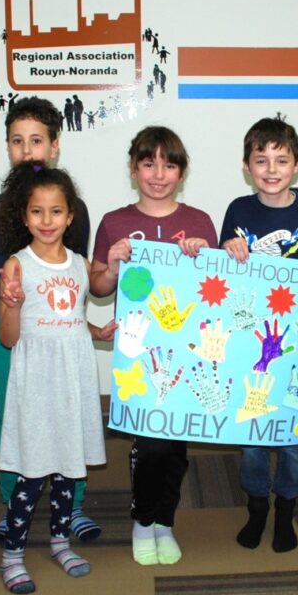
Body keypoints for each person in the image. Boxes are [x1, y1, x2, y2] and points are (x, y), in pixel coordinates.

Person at [90, 126, 218, 565]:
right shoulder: (115, 222)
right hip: (137, 349)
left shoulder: (199, 221)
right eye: (148, 163)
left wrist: (205, 255)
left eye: (169, 164)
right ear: (133, 169)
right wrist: (110, 264)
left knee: (177, 444)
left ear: (182, 173)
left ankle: (166, 520)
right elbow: (101, 288)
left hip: (185, 349)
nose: (158, 174)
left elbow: (213, 291)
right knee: (152, 445)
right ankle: (144, 520)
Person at [0, 97, 100, 544]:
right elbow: (7, 272)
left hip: (63, 330)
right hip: (14, 329)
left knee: (70, 412)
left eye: (36, 141)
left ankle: (75, 507)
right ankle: (12, 506)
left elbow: (75, 277)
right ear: (7, 147)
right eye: (17, 141)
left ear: (54, 146)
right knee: (14, 418)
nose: (27, 151)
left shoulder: (75, 208)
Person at [220, 115, 298, 553]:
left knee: (293, 436)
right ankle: (257, 506)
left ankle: (286, 510)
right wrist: (229, 250)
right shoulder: (238, 210)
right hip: (254, 342)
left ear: (297, 165)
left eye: (281, 160)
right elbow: (225, 278)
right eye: (261, 160)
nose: (271, 169)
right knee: (252, 434)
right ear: (246, 166)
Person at [0, 163, 114, 594]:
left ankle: (60, 541)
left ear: (70, 216)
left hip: (74, 379)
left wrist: (98, 331)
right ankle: (12, 552)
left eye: (56, 211)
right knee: (32, 471)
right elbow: (10, 338)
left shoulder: (81, 264)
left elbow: (71, 319)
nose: (47, 221)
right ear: (25, 217)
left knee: (68, 470)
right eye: (37, 212)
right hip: (37, 383)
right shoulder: (16, 266)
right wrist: (10, 304)